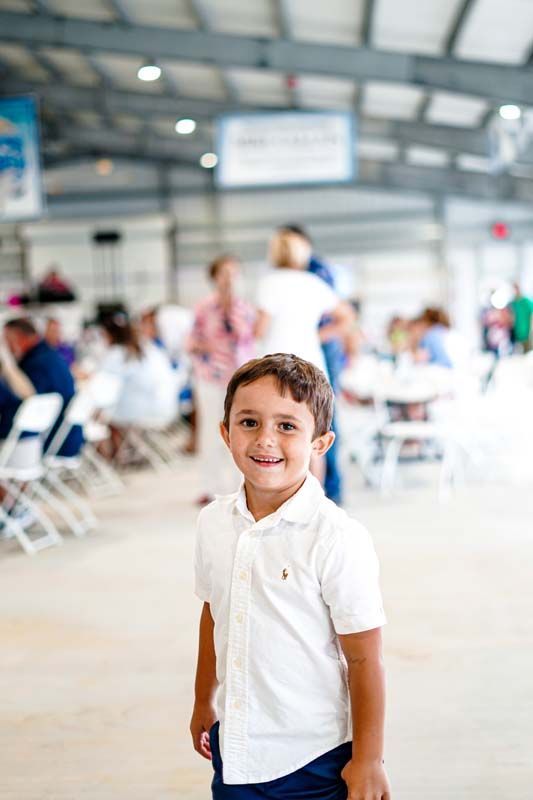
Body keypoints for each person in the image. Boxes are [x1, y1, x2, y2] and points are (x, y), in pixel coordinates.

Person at [191, 353, 389, 800]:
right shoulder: (213, 522)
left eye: (287, 426)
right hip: (236, 747)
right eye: (248, 422)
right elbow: (213, 613)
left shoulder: (337, 537)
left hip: (316, 758)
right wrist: (205, 698)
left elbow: (364, 658)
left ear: (320, 443)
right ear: (225, 432)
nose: (265, 441)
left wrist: (369, 761)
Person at [256, 229, 354, 495]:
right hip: (312, 364)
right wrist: (317, 335)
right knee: (312, 435)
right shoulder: (313, 283)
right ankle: (315, 499)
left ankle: (283, 494)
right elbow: (346, 317)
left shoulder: (269, 283)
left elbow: (259, 330)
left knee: (277, 431)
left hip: (276, 368)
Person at [187, 255, 256, 504]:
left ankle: (241, 486)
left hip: (238, 377)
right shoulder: (203, 307)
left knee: (239, 431)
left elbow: (248, 339)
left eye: (234, 273)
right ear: (214, 277)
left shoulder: (245, 308)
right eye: (224, 273)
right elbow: (191, 341)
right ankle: (210, 487)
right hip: (209, 376)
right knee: (210, 431)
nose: (229, 279)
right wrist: (201, 346)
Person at [0, 317, 83, 460]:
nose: (6, 344)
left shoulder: (35, 364)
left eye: (6, 339)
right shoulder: (51, 355)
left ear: (19, 338)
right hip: (67, 439)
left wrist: (7, 363)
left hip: (45, 444)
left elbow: (28, 396)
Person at [99, 313, 177, 431]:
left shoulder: (118, 353)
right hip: (168, 406)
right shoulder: (145, 347)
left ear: (110, 335)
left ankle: (117, 449)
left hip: (148, 410)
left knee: (103, 414)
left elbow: (103, 381)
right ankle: (129, 446)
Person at [509, 283, 533, 353]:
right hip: (517, 333)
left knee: (528, 352)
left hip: (527, 332)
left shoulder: (526, 301)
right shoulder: (513, 303)